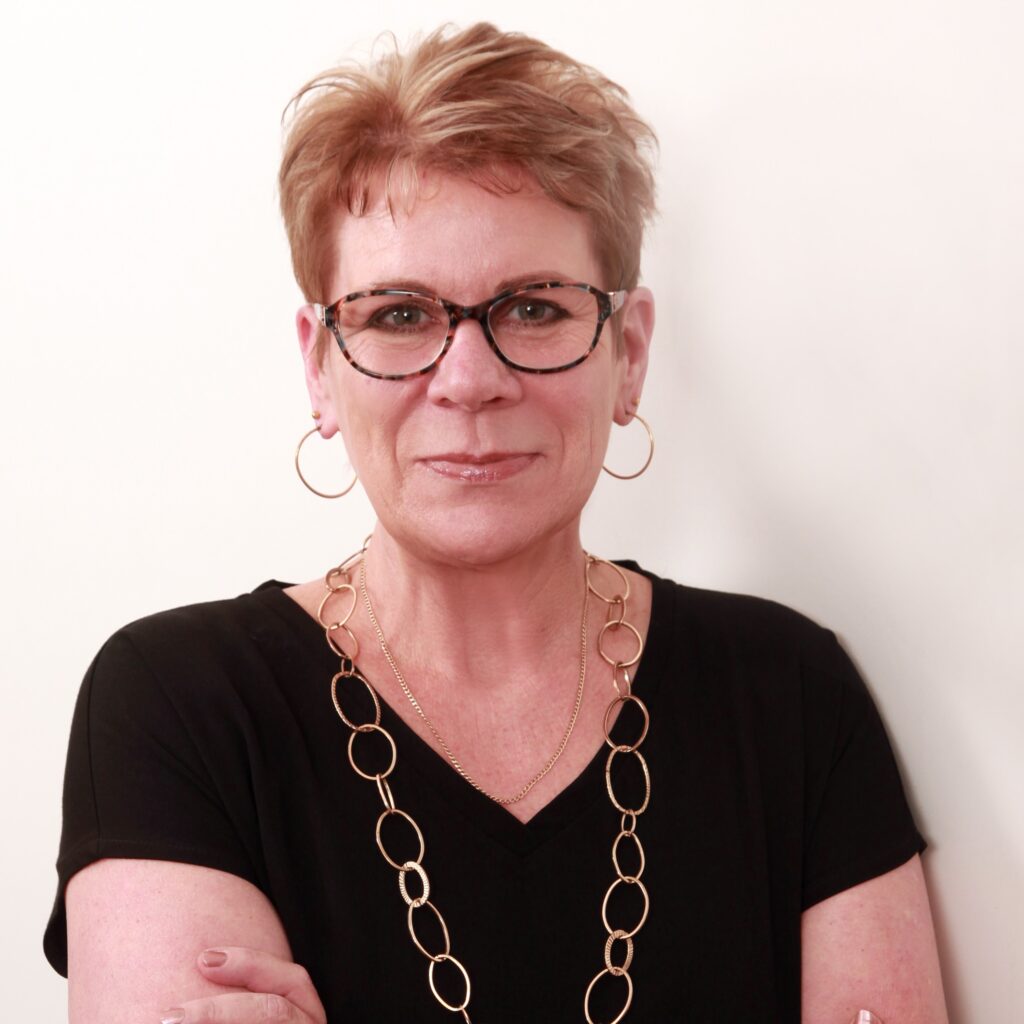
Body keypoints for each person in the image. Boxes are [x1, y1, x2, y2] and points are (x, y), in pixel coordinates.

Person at [44, 22, 949, 1024]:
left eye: (533, 309)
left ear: (629, 351)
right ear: (319, 365)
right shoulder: (178, 707)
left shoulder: (788, 694)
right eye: (399, 315)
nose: (469, 380)